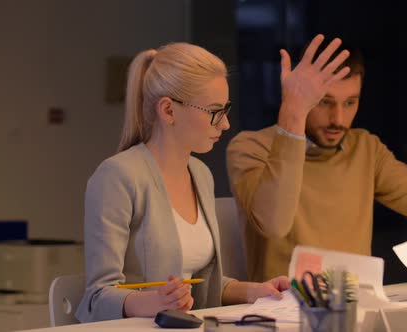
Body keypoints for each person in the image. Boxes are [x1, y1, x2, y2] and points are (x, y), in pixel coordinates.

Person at [226, 32, 407, 282]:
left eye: (350, 103)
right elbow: (274, 223)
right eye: (324, 102)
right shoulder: (250, 148)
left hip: (356, 308)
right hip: (282, 312)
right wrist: (293, 112)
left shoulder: (365, 148)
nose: (338, 120)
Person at [76, 42, 289, 323]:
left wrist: (256, 291)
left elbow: (203, 281)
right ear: (168, 111)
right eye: (215, 111)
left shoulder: (200, 174)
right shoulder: (116, 177)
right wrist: (153, 302)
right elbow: (97, 297)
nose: (224, 124)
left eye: (225, 109)